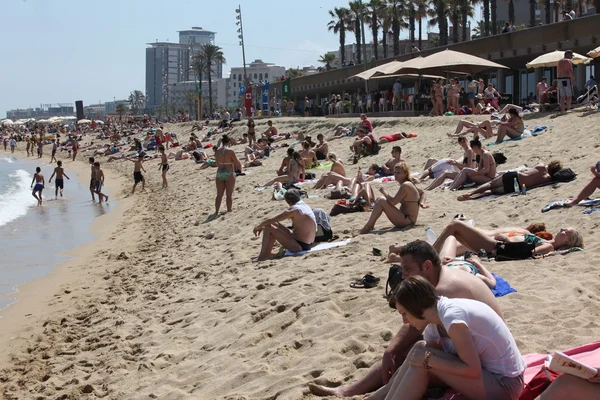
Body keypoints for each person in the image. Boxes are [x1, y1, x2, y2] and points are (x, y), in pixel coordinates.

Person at [309, 240, 504, 397]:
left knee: (416, 358)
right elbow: (416, 325)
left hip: (488, 366)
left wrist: (398, 352)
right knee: (416, 352)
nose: (403, 275)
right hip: (478, 349)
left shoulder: (444, 293)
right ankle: (368, 394)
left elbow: (414, 325)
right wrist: (391, 351)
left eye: (408, 269)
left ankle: (355, 392)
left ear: (427, 266)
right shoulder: (441, 283)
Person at [365, 275, 525, 400]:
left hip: (506, 386)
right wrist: (425, 359)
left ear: (415, 307)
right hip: (489, 378)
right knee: (420, 349)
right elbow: (422, 354)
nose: (404, 321)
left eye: (404, 313)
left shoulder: (452, 318)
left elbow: (472, 370)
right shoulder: (436, 317)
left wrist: (428, 360)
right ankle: (377, 397)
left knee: (424, 359)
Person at [432, 220, 583, 257]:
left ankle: (428, 253)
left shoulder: (549, 247)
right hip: (496, 244)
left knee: (455, 226)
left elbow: (524, 253)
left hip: (496, 246)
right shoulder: (547, 242)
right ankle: (431, 253)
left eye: (565, 232)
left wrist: (506, 239)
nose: (561, 229)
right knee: (456, 232)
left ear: (566, 241)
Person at [252, 189, 316, 261]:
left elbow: (272, 219)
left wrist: (257, 227)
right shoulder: (303, 205)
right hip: (307, 243)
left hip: (300, 246)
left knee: (268, 227)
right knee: (273, 224)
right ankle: (267, 253)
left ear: (288, 201)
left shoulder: (294, 209)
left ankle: (262, 256)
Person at [359, 163, 423, 234]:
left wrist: (384, 192)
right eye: (395, 172)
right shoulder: (407, 184)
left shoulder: (406, 185)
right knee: (379, 200)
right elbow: (422, 192)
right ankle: (371, 225)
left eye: (398, 173)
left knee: (381, 200)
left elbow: (393, 202)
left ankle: (368, 227)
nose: (396, 174)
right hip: (405, 218)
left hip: (408, 221)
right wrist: (422, 202)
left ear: (405, 174)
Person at [457, 160, 563, 201]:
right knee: (492, 191)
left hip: (515, 176)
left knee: (490, 184)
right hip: (517, 186)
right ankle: (472, 198)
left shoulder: (541, 166)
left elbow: (537, 164)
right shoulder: (547, 179)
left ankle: (471, 193)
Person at [214, 134, 243, 215]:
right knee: (229, 194)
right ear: (228, 142)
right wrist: (239, 170)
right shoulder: (230, 151)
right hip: (229, 172)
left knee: (219, 195)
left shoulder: (217, 151)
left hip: (219, 172)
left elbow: (217, 163)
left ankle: (216, 211)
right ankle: (229, 210)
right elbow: (237, 163)